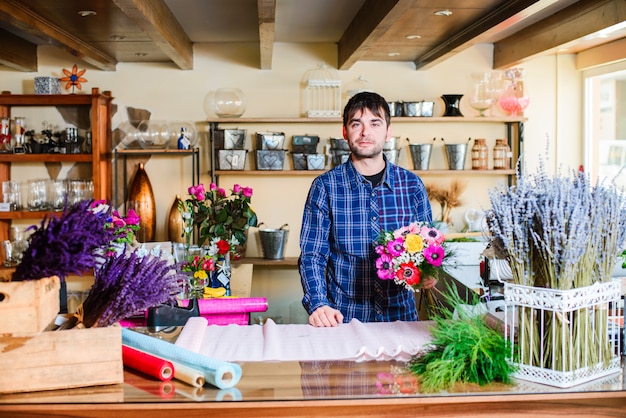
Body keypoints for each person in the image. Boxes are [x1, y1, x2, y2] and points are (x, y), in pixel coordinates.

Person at [299, 91, 435, 328]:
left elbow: (428, 247)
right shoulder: (325, 187)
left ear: (388, 131)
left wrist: (427, 273)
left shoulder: (412, 185)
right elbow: (313, 255)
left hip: (401, 320)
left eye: (375, 123)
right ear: (344, 132)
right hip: (342, 321)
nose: (365, 132)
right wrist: (319, 303)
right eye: (356, 124)